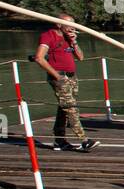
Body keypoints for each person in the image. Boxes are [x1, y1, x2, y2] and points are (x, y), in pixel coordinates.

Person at [34, 14, 98, 152]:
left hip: (72, 77)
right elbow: (39, 58)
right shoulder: (48, 36)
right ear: (58, 24)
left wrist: (74, 42)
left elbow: (80, 57)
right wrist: (57, 76)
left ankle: (59, 140)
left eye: (73, 25)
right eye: (68, 25)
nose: (72, 28)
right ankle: (84, 140)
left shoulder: (69, 38)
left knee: (64, 108)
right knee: (71, 107)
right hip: (59, 77)